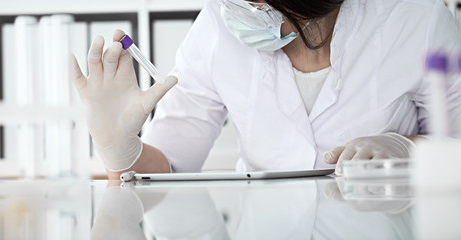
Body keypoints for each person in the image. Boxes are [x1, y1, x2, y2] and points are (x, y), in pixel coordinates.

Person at [71, 0, 461, 179]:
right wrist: (120, 148)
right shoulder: (216, 27)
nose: (236, 11)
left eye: (256, 3)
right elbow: (170, 170)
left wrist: (408, 148)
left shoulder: (418, 20)